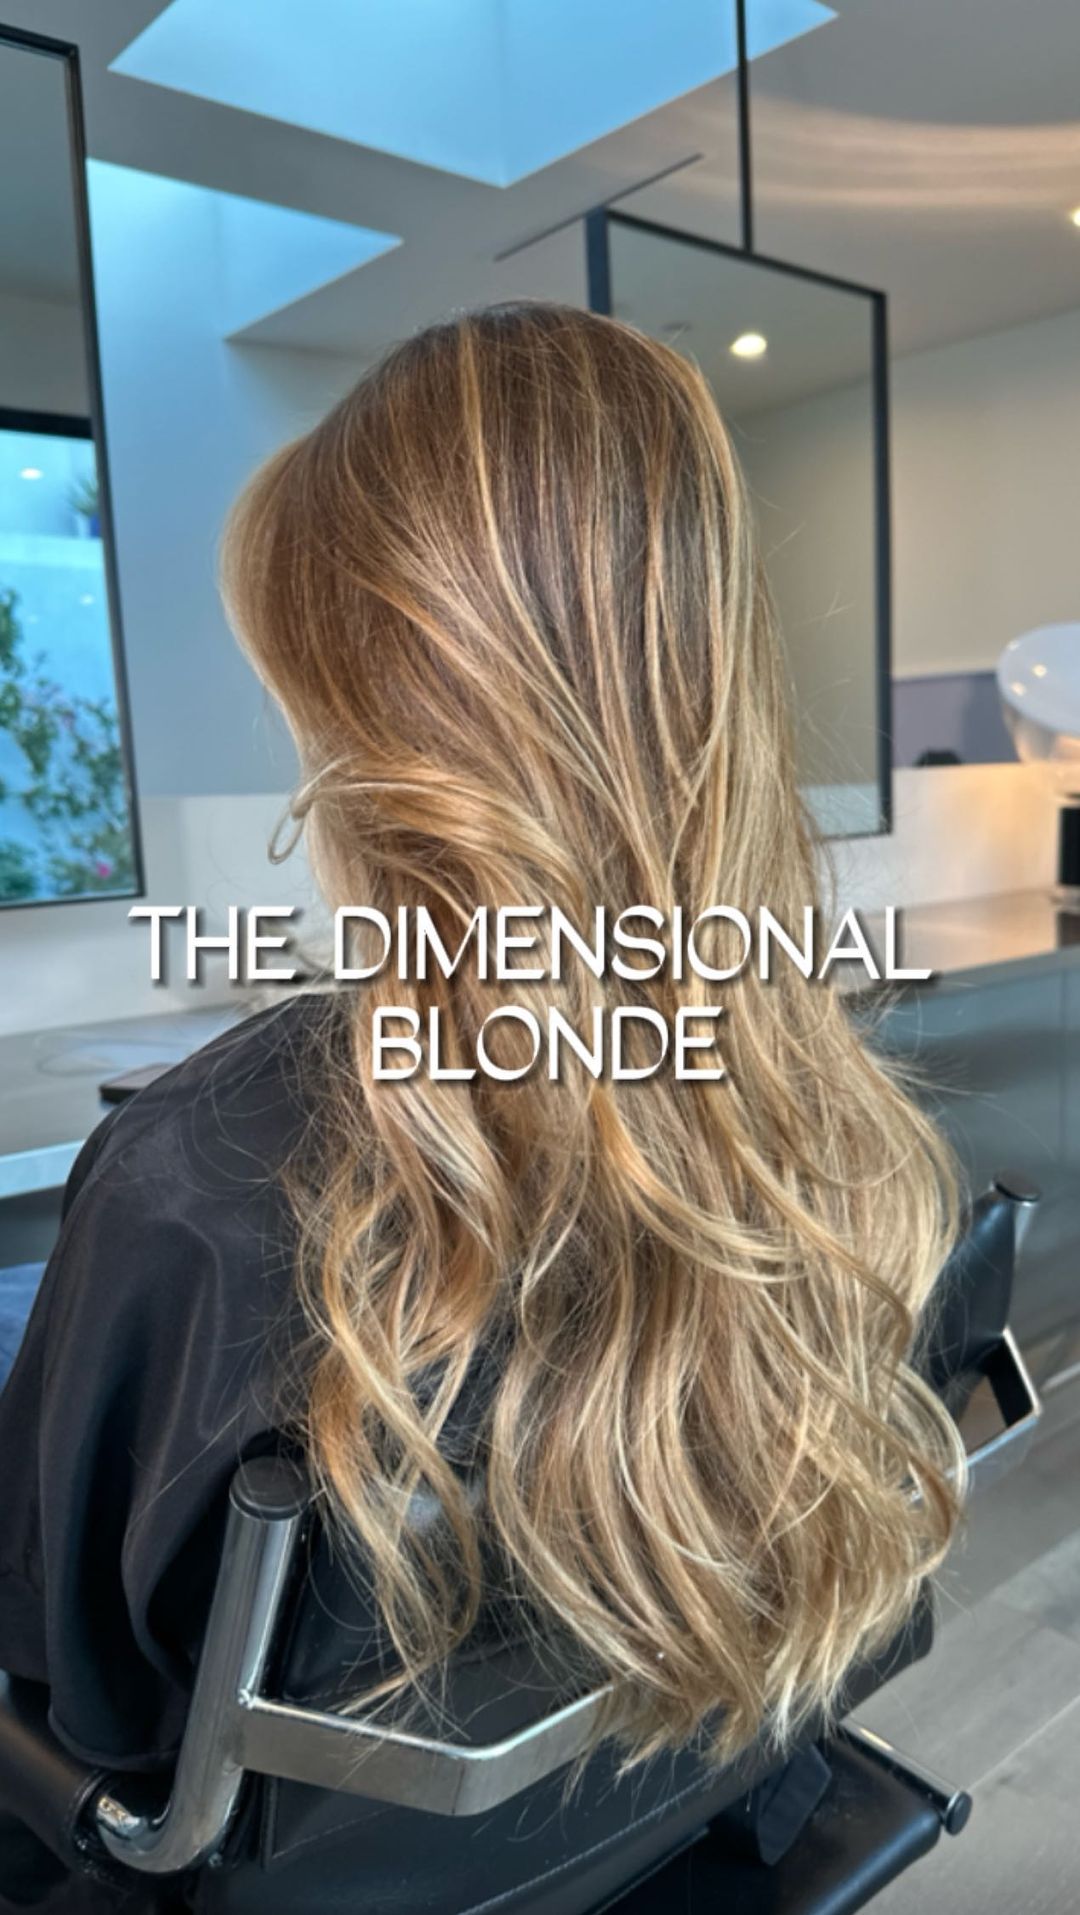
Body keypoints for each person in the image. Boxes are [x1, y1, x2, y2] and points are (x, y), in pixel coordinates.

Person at [0, 304, 964, 1906]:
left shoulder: (186, 1188)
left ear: (370, 736)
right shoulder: (833, 1134)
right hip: (669, 1829)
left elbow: (81, 1709)